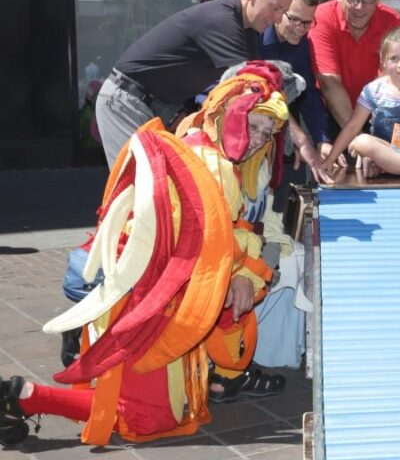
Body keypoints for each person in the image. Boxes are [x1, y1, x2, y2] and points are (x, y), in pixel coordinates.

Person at [0, 63, 293, 447]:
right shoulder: (209, 162)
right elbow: (205, 245)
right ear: (224, 114)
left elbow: (226, 232)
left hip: (157, 297)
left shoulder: (202, 145)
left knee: (164, 406)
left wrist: (243, 271)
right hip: (149, 301)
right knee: (147, 417)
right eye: (252, 126)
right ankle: (22, 396)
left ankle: (22, 396)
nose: (258, 140)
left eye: (267, 133)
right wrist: (245, 273)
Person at [95, 0, 295, 168]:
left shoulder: (248, 30)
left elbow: (262, 91)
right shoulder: (221, 19)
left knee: (164, 189)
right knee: (142, 188)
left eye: (284, 12)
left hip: (157, 109)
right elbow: (247, 84)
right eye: (276, 8)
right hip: (126, 101)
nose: (278, 18)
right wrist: (300, 141)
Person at [320, 27, 400, 180]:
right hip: (383, 150)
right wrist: (330, 160)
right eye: (394, 58)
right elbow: (352, 126)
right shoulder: (373, 90)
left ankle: (387, 167)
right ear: (383, 60)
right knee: (361, 141)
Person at [308, 0, 400, 136]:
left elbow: (392, 79)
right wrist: (358, 138)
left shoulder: (391, 21)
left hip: (376, 115)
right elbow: (329, 83)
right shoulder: (322, 17)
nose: (359, 7)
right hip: (330, 114)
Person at [260, 0, 331, 183]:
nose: (300, 29)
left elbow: (309, 96)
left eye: (308, 23)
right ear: (279, 10)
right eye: (294, 20)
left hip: (285, 135)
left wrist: (321, 140)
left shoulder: (302, 45)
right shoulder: (254, 37)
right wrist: (300, 139)